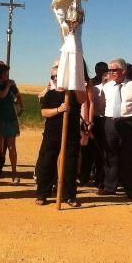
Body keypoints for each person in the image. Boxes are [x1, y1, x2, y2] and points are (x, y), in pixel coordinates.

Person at [35, 65, 88, 207]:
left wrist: (74, 82)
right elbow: (44, 112)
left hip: (70, 135)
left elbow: (83, 99)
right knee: (47, 163)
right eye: (53, 77)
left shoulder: (72, 93)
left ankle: (69, 196)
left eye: (58, 76)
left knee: (70, 165)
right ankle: (42, 194)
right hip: (51, 134)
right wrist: (59, 110)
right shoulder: (50, 94)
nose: (56, 79)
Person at [98, 58, 132, 197]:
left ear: (123, 71)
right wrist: (108, 119)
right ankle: (109, 187)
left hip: (129, 124)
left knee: (129, 158)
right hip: (110, 124)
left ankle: (130, 189)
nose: (111, 72)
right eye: (110, 70)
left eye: (114, 70)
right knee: (110, 156)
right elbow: (101, 105)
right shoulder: (106, 87)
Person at [0, 62, 22, 184]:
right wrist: (8, 86)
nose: (7, 75)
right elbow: (1, 95)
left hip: (10, 118)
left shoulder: (11, 84)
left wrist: (20, 106)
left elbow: (17, 95)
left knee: (12, 146)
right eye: (5, 73)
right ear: (0, 74)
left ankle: (14, 173)